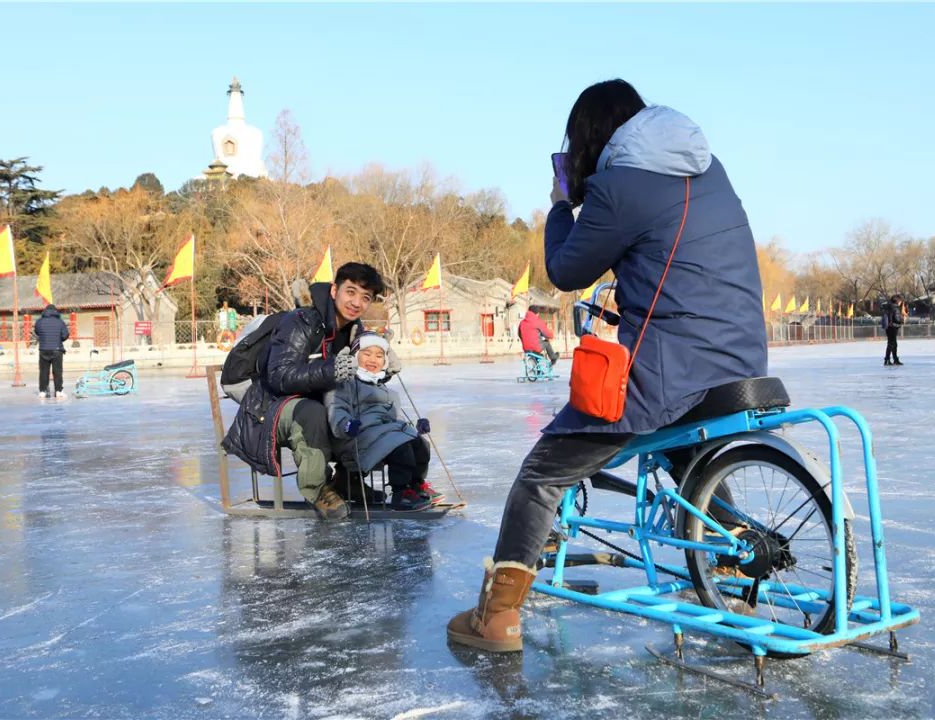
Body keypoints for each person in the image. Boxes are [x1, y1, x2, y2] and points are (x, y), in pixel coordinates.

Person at [446, 79, 768, 652]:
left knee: (542, 474)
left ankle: (496, 618)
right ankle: (733, 563)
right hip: (740, 360)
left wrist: (560, 204)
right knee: (684, 451)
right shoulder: (708, 168)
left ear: (589, 135)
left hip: (670, 371)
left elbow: (567, 272)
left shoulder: (619, 187)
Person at [222, 262, 384, 520]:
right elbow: (279, 376)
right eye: (350, 292)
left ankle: (348, 478)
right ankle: (317, 489)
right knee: (314, 413)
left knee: (364, 406)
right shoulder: (302, 321)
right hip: (269, 405)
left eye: (365, 297)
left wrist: (381, 371)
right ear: (334, 291)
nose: (356, 302)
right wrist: (330, 371)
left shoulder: (354, 330)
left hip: (310, 402)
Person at [325, 331, 442, 511]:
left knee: (419, 445)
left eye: (379, 356)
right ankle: (401, 493)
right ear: (355, 355)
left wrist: (414, 429)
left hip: (381, 436)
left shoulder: (379, 384)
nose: (373, 359)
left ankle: (416, 485)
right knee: (401, 448)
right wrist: (346, 425)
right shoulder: (345, 382)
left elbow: (395, 420)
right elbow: (336, 408)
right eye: (367, 353)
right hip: (357, 438)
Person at [34, 304, 70, 399]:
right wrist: (59, 339)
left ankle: (43, 391)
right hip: (57, 350)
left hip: (43, 349)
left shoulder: (39, 321)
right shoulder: (60, 322)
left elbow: (37, 331)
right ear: (55, 311)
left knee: (43, 372)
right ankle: (58, 391)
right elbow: (65, 335)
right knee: (57, 372)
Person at [882, 295, 905, 366]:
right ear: (897, 300)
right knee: (892, 344)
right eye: (900, 301)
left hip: (888, 327)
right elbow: (897, 318)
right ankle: (887, 359)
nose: (901, 302)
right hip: (893, 327)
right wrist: (902, 319)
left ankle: (894, 359)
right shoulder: (895, 307)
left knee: (893, 343)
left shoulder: (888, 307)